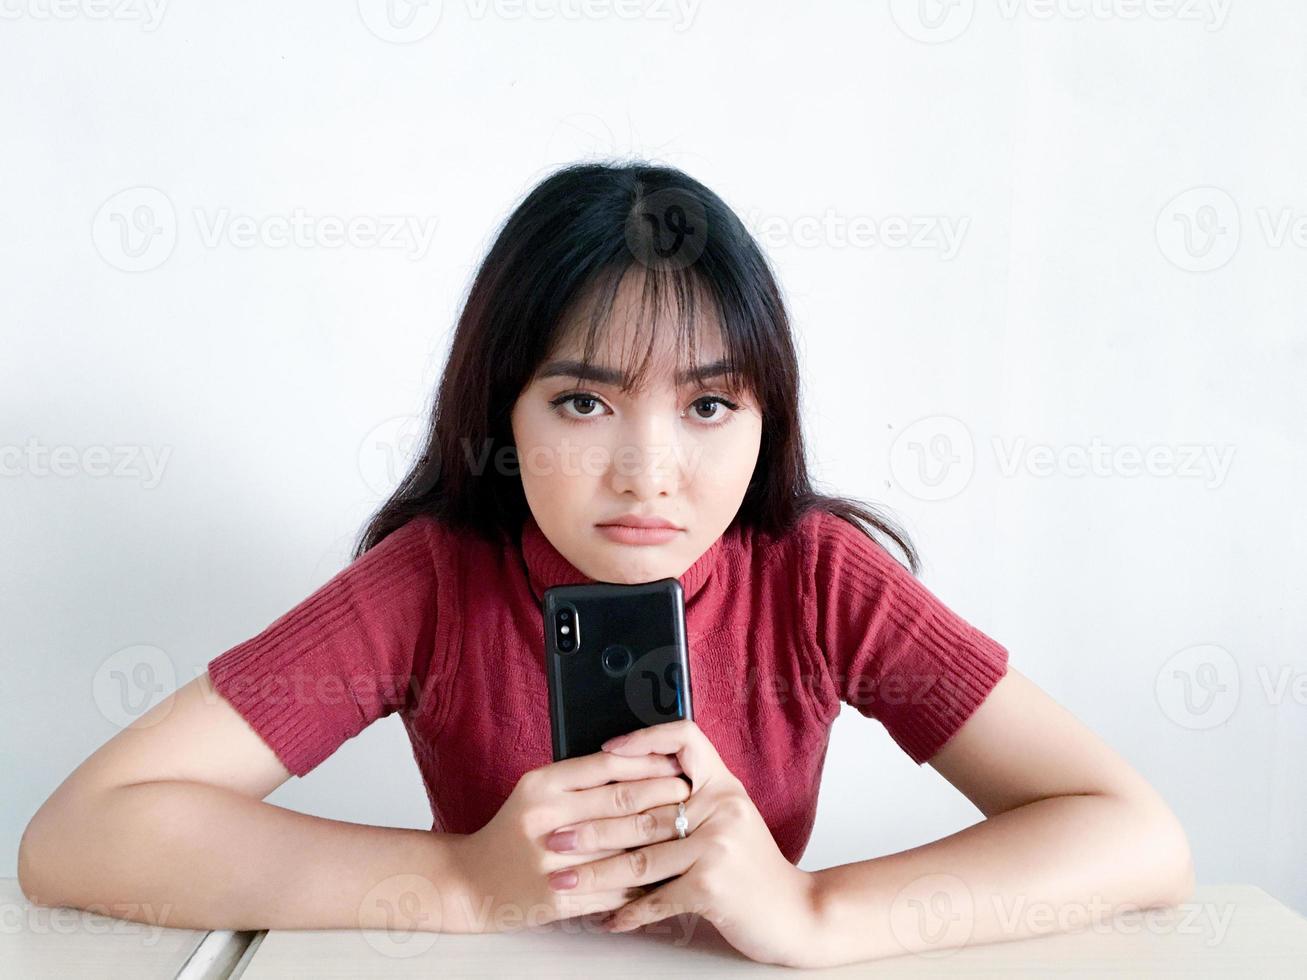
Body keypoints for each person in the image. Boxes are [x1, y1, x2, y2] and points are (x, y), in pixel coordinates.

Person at [18, 161, 1193, 968]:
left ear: (766, 418)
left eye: (708, 403)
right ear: (502, 408)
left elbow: (1136, 835)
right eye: (583, 399)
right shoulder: (432, 579)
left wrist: (812, 911)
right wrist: (473, 883)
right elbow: (79, 836)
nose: (648, 472)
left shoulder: (819, 576)